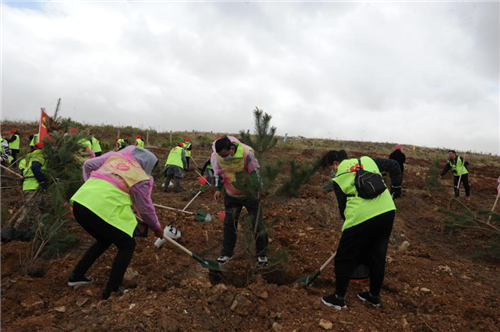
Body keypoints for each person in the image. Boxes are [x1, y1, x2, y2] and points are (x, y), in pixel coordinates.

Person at [68, 145, 164, 300]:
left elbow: (88, 165)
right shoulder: (140, 176)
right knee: (127, 245)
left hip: (80, 202)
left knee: (104, 240)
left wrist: (89, 185)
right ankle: (111, 290)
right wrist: (156, 228)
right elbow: (145, 208)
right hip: (99, 208)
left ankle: (76, 275)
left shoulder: (114, 158)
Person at [319, 150, 402, 310]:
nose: (332, 171)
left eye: (331, 167)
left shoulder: (339, 176)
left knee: (344, 257)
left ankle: (339, 298)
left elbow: (343, 210)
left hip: (361, 216)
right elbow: (394, 164)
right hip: (387, 211)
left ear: (335, 163)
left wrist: (352, 234)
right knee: (378, 256)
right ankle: (373, 297)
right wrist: (396, 187)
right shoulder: (368, 160)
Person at [212, 136, 268, 265]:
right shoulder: (216, 156)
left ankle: (262, 254)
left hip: (249, 194)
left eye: (226, 155)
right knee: (229, 225)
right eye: (221, 156)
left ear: (232, 148)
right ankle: (226, 254)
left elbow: (254, 173)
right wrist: (218, 189)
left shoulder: (246, 153)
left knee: (257, 224)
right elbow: (219, 173)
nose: (224, 158)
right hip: (231, 195)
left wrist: (258, 190)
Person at [1, 143, 46, 241]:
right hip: (34, 186)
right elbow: (35, 168)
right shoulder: (40, 155)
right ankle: (14, 232)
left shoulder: (30, 156)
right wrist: (42, 181)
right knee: (28, 212)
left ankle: (45, 225)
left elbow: (23, 172)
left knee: (45, 208)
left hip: (29, 185)